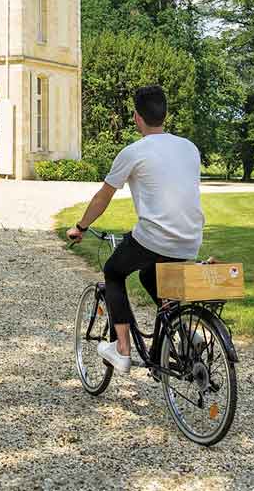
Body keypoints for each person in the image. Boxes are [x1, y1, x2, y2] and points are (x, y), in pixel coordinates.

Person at [66, 85, 203, 374]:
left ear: (136, 117)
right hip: (190, 238)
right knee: (149, 274)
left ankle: (122, 349)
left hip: (154, 237)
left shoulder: (133, 152)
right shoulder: (189, 148)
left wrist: (81, 227)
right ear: (165, 114)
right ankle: (184, 330)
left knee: (114, 271)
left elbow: (103, 197)